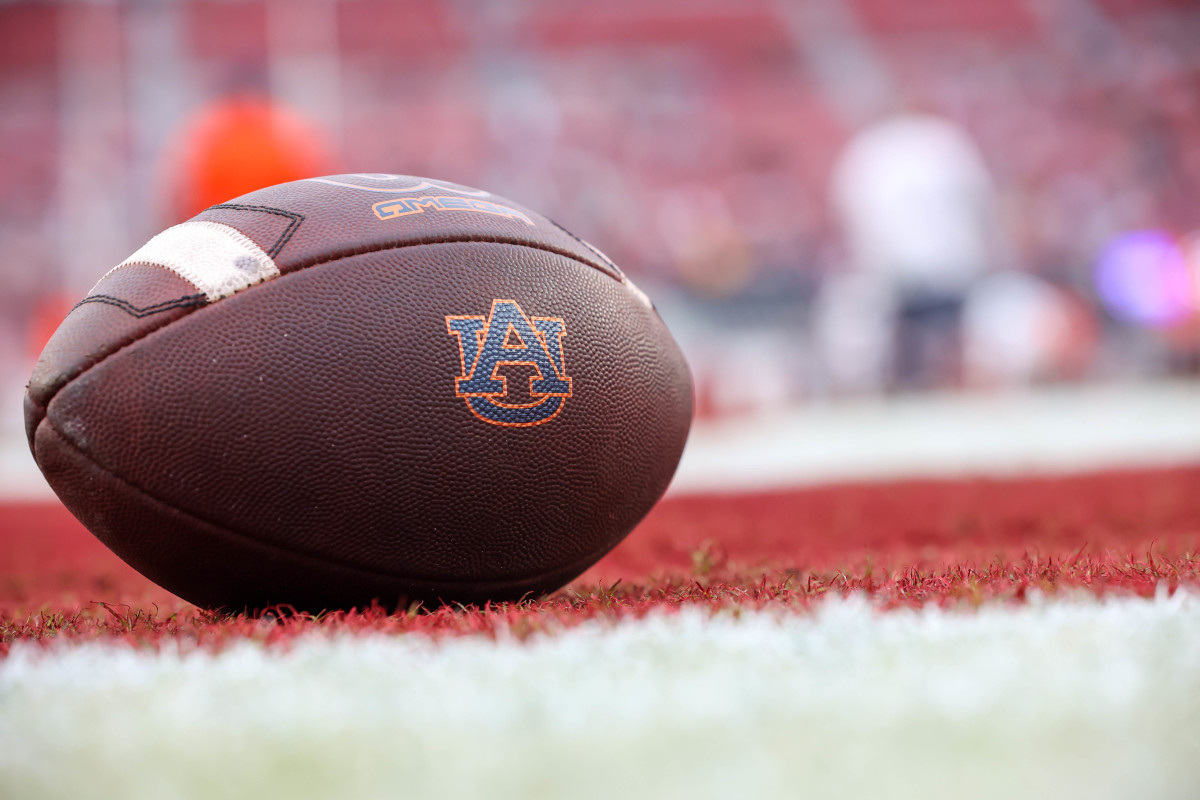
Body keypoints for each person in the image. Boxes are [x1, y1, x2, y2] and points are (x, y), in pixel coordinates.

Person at [829, 109, 998, 390]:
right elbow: (981, 201)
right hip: (935, 266)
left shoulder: (872, 149)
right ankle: (927, 380)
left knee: (926, 342)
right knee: (929, 338)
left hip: (920, 266)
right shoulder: (943, 141)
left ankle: (923, 381)